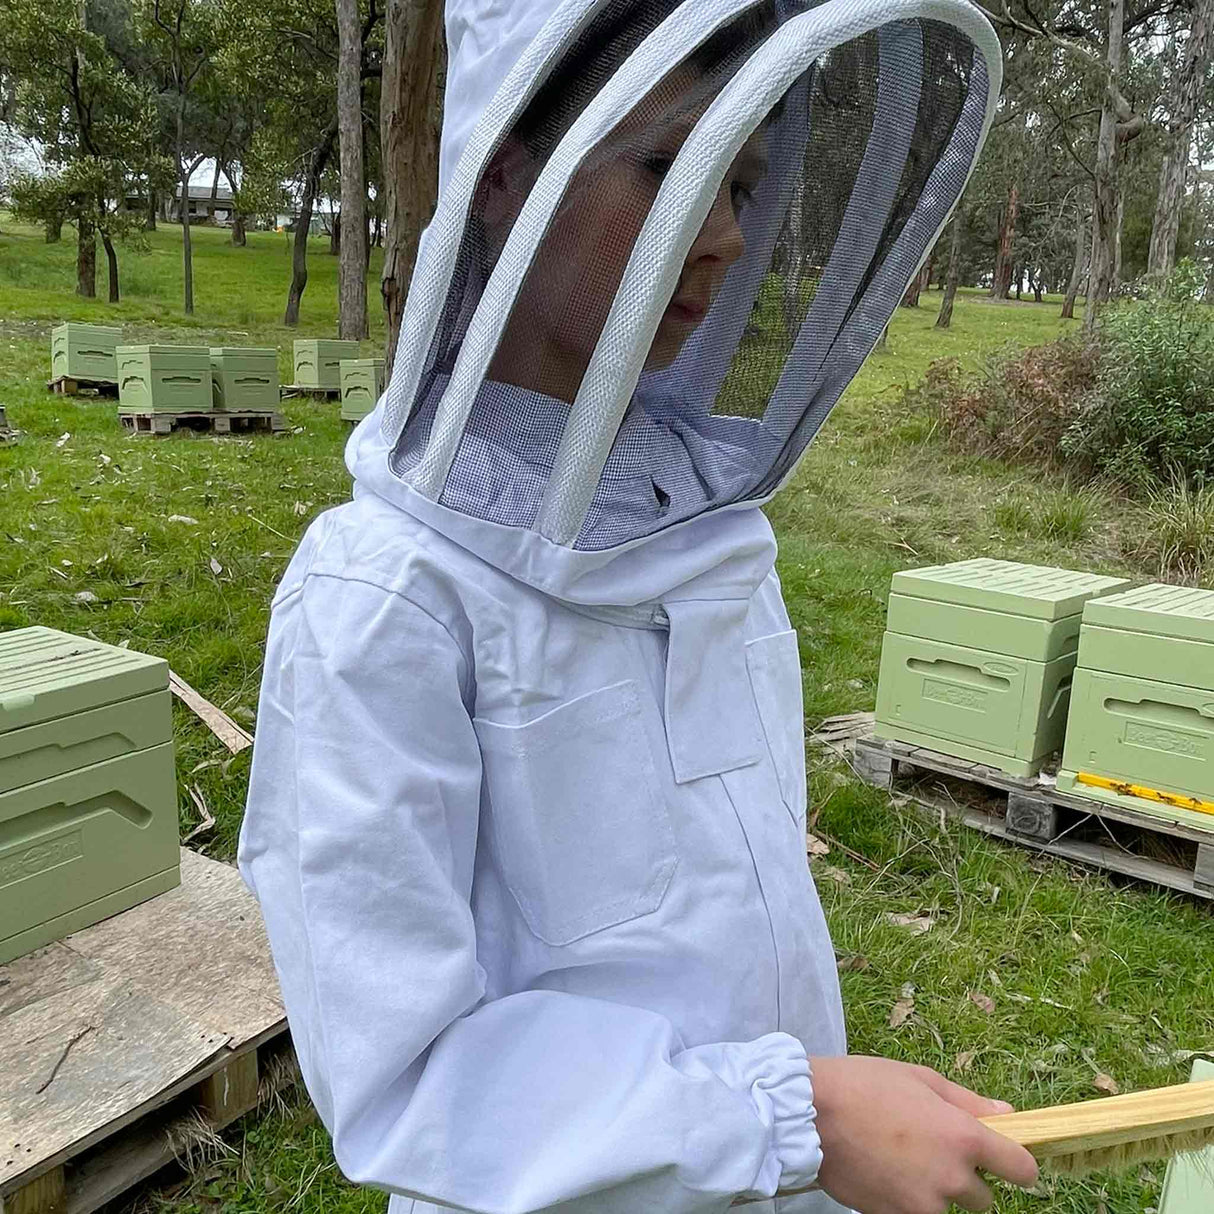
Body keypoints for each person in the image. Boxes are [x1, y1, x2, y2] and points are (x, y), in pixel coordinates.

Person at [238, 2, 1040, 1212]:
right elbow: (403, 1069)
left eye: (742, 182)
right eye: (670, 167)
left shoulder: (704, 528)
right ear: (506, 178)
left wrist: (811, 1118)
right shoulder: (380, 601)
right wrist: (796, 1115)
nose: (717, 235)